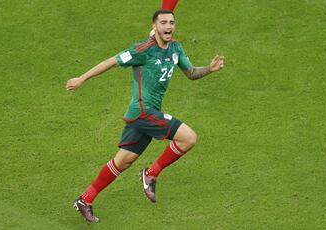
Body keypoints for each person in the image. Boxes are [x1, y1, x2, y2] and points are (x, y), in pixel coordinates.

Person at [67, 9, 225, 223]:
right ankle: (150, 173)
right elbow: (111, 61)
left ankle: (85, 199)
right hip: (143, 111)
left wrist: (209, 69)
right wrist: (82, 78)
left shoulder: (176, 48)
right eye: (163, 23)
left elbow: (191, 74)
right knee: (189, 138)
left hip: (144, 115)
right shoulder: (143, 49)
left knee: (122, 162)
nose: (168, 26)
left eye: (171, 22)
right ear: (155, 27)